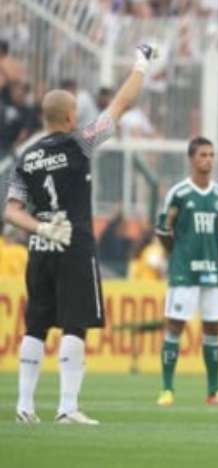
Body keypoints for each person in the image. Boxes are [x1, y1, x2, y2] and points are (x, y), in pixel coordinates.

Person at [3, 44, 158, 425]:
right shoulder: (81, 142)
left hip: (40, 244)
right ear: (71, 117)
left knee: (36, 324)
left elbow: (10, 212)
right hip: (74, 244)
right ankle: (67, 408)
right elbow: (120, 104)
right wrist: (141, 63)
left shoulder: (27, 157)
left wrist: (40, 227)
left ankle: (24, 405)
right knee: (75, 323)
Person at [154, 136, 218, 407]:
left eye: (212, 155)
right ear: (191, 159)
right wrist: (178, 255)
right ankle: (167, 389)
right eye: (203, 155)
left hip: (213, 271)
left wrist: (206, 250)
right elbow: (163, 230)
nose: (208, 160)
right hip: (184, 272)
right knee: (175, 325)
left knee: (213, 328)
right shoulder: (179, 193)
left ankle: (213, 391)